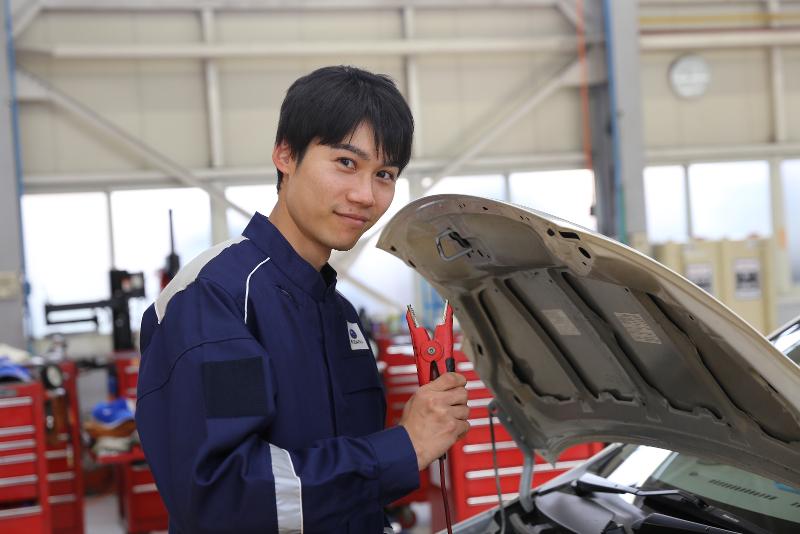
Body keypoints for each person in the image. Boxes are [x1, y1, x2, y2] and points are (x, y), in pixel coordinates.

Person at [135, 65, 470, 533]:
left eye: (385, 174)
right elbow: (223, 494)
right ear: (285, 155)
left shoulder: (340, 316)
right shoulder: (217, 298)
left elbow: (342, 489)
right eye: (346, 163)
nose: (365, 195)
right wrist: (404, 447)